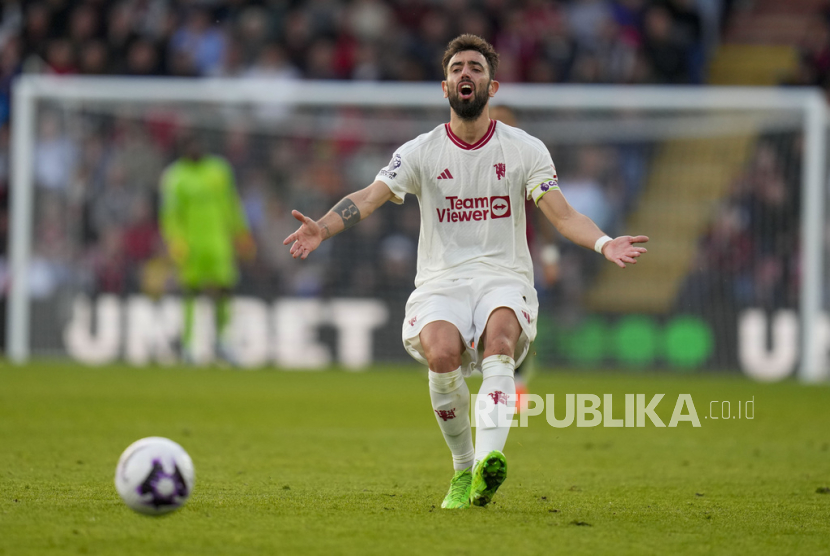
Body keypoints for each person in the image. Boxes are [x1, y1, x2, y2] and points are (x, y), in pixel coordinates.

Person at [283, 34, 648, 510]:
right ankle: (462, 466)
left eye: (475, 68)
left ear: (491, 86)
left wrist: (604, 242)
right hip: (441, 280)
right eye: (457, 69)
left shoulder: (525, 149)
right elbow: (369, 197)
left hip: (504, 275)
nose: (466, 75)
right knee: (441, 357)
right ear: (444, 86)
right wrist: (322, 229)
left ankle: (486, 466)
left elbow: (561, 214)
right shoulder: (420, 151)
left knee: (499, 345)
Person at [160, 133, 255, 364]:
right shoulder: (174, 176)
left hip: (219, 243)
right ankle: (188, 344)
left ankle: (222, 342)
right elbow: (170, 215)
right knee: (190, 292)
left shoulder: (220, 170)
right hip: (191, 246)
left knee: (224, 291)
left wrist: (241, 233)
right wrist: (174, 241)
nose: (196, 148)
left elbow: (232, 204)